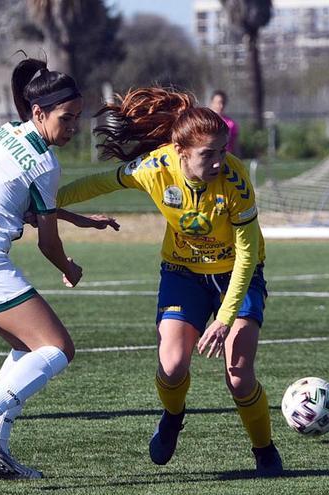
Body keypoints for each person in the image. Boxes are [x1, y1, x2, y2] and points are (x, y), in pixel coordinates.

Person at [57, 87, 283, 477]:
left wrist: (225, 318)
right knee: (173, 364)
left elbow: (247, 254)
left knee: (239, 376)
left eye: (222, 150)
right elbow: (98, 184)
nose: (218, 162)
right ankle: (172, 418)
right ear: (180, 152)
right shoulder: (154, 168)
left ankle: (264, 450)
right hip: (182, 272)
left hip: (237, 275)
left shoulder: (235, 179)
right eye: (207, 154)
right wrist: (43, 202)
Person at [0, 58, 118, 480]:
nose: (72, 128)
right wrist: (69, 267)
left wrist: (82, 219)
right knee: (58, 349)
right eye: (65, 119)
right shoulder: (46, 164)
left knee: (28, 348)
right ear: (39, 112)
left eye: (76, 119)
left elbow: (24, 205)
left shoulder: (3, 134)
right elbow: (47, 242)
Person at [209, 90, 239, 156]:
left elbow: (235, 145)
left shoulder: (231, 124)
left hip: (226, 157)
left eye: (223, 103)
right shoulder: (205, 121)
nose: (221, 106)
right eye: (218, 102)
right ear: (212, 103)